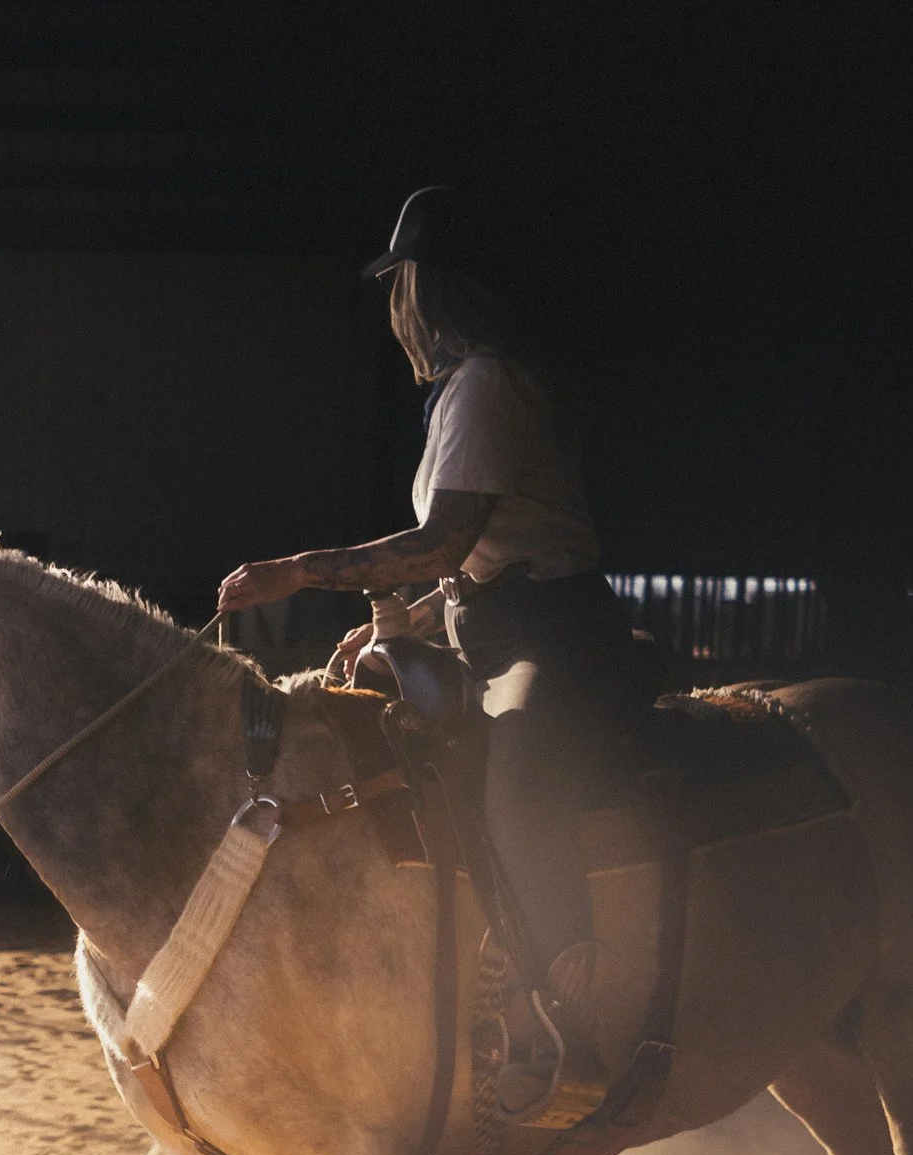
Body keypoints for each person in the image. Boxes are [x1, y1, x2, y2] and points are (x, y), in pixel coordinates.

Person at [217, 185, 648, 1099]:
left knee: (519, 776)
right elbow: (459, 565)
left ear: (430, 289)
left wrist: (296, 570)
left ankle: (569, 1010)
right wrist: (396, 626)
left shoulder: (490, 385)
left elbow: (441, 544)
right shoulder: (470, 389)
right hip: (484, 626)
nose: (395, 306)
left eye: (401, 284)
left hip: (552, 636)